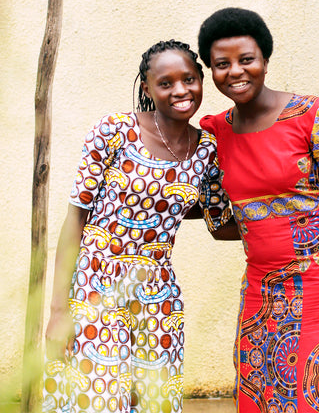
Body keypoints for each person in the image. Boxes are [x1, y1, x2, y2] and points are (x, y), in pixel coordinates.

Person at [43, 39, 238, 413]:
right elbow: (75, 221)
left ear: (201, 80)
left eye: (189, 79)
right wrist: (57, 311)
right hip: (96, 285)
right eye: (166, 83)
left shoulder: (207, 150)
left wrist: (284, 215)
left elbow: (219, 222)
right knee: (99, 396)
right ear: (147, 88)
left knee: (155, 400)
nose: (181, 91)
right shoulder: (113, 132)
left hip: (158, 293)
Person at [198, 8, 319, 413]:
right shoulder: (217, 134)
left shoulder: (313, 117)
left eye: (247, 60)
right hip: (260, 292)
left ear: (265, 60)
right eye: (222, 64)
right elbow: (222, 223)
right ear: (210, 70)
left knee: (316, 401)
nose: (236, 72)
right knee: (258, 399)